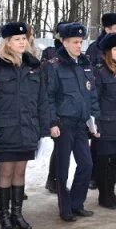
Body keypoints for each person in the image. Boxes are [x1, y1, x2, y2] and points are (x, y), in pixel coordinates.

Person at [0, 22, 50, 229]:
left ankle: (17, 213)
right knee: (6, 172)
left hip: (27, 127)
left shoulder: (33, 66)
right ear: (7, 42)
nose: (22, 42)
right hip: (6, 129)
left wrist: (43, 128)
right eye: (17, 39)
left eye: (24, 39)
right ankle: (4, 216)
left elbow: (42, 100)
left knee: (21, 171)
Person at [45, 22, 99, 222]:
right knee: (63, 168)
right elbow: (49, 98)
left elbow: (92, 94)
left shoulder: (85, 64)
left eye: (81, 41)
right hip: (63, 123)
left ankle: (77, 203)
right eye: (75, 42)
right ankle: (65, 207)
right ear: (64, 42)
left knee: (86, 164)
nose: (79, 45)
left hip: (81, 124)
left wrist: (95, 119)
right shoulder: (55, 66)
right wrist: (52, 123)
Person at [86, 12, 116, 189]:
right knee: (99, 145)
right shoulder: (95, 49)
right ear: (106, 29)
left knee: (115, 144)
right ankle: (94, 175)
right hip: (103, 107)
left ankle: (113, 173)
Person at [93, 33, 116, 209]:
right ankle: (104, 196)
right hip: (105, 124)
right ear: (108, 51)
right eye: (115, 49)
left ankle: (111, 193)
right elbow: (95, 100)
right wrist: (96, 125)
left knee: (113, 161)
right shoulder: (100, 72)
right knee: (103, 162)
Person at [42, 21, 68, 195]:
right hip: (56, 108)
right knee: (59, 148)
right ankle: (53, 179)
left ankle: (57, 178)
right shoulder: (50, 53)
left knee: (64, 150)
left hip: (69, 106)